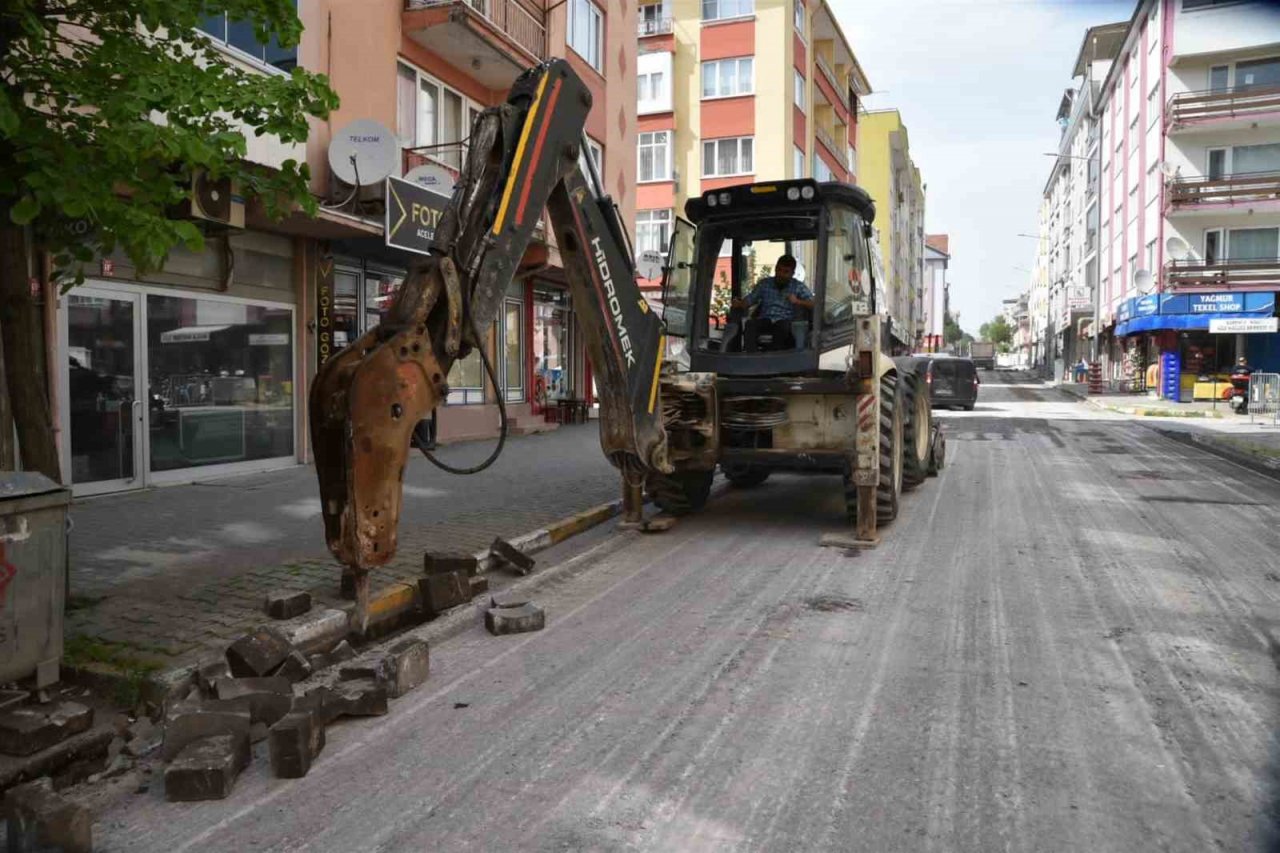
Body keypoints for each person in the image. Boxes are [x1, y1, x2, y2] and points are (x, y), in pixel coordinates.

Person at [731, 255, 815, 350]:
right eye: (779, 270)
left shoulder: (798, 286)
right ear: (775, 269)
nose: (781, 274)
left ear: (792, 273)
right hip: (766, 319)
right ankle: (752, 356)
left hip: (785, 320)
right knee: (750, 325)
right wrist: (739, 303)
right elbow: (750, 299)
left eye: (786, 272)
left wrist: (797, 301)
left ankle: (775, 357)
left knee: (782, 328)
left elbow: (814, 304)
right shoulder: (765, 284)